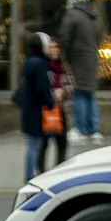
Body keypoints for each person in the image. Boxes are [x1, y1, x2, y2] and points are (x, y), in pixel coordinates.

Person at [59, 0, 104, 145]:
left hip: (77, 59)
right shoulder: (95, 16)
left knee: (78, 94)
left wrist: (63, 56)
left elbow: (64, 38)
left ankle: (81, 129)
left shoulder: (72, 15)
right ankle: (95, 130)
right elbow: (99, 38)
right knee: (90, 94)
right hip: (92, 58)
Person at [19, 32, 56, 183]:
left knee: (32, 143)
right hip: (36, 110)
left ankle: (30, 174)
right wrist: (51, 102)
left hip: (29, 109)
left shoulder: (30, 62)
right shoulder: (39, 64)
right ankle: (29, 176)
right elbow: (41, 88)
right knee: (34, 144)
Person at [36, 33, 71, 175]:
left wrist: (63, 91)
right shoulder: (42, 66)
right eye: (51, 47)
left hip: (59, 109)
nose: (54, 50)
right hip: (43, 109)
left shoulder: (64, 67)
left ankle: (59, 171)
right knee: (43, 144)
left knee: (62, 142)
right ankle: (41, 172)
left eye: (56, 47)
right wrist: (50, 93)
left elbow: (72, 83)